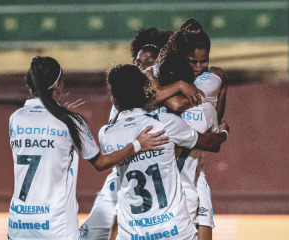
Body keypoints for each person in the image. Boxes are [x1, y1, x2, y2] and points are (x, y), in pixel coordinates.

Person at [7, 56, 169, 240]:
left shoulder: (16, 118)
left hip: (18, 224)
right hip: (56, 228)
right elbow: (100, 163)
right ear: (57, 85)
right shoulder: (70, 122)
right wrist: (137, 144)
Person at [80, 28, 204, 240]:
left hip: (169, 182)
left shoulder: (175, 92)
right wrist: (179, 85)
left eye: (149, 62)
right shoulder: (125, 96)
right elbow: (145, 100)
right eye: (138, 63)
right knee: (89, 234)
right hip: (123, 179)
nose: (143, 68)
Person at [102, 64, 229, 240]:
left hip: (134, 234)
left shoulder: (107, 134)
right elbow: (211, 143)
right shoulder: (165, 123)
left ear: (115, 100)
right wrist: (224, 132)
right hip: (176, 230)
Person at [154, 19, 228, 240]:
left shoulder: (209, 79)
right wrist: (177, 85)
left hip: (195, 170)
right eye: (192, 62)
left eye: (203, 61)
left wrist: (223, 87)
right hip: (167, 175)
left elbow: (211, 116)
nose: (198, 67)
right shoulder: (162, 72)